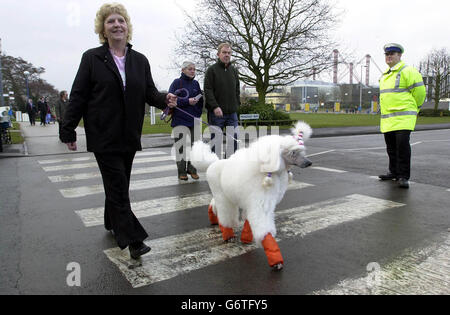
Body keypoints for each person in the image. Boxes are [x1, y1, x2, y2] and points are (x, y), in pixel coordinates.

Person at [60, 3, 177, 259]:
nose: (117, 25)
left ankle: (110, 220)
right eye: (111, 21)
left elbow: (149, 92)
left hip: (129, 134)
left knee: (118, 186)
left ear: (127, 27)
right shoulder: (92, 58)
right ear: (103, 29)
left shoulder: (139, 60)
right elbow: (78, 95)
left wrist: (164, 99)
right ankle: (133, 240)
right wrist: (68, 130)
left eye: (121, 21)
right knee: (117, 185)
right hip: (103, 135)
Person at [378, 43, 426, 189]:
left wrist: (415, 108)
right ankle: (393, 172)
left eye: (392, 53)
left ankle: (403, 176)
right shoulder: (385, 75)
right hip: (388, 119)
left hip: (404, 118)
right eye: (387, 54)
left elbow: (420, 93)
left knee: (402, 147)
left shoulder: (408, 71)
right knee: (391, 148)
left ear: (400, 56)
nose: (389, 56)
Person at [168, 61, 203, 180]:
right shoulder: (176, 83)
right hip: (180, 119)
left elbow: (200, 100)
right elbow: (172, 100)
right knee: (181, 147)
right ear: (183, 70)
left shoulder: (196, 83)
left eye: (194, 69)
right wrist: (187, 101)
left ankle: (192, 169)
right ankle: (181, 172)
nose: (193, 71)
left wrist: (197, 113)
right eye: (190, 69)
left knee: (195, 146)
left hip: (194, 119)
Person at [204, 42, 240, 155]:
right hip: (216, 114)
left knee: (233, 141)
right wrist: (215, 106)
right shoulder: (211, 70)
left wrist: (237, 104)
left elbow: (237, 89)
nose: (227, 55)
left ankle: (229, 167)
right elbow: (208, 90)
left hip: (231, 114)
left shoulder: (234, 70)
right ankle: (215, 167)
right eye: (224, 52)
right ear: (218, 54)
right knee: (216, 142)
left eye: (229, 53)